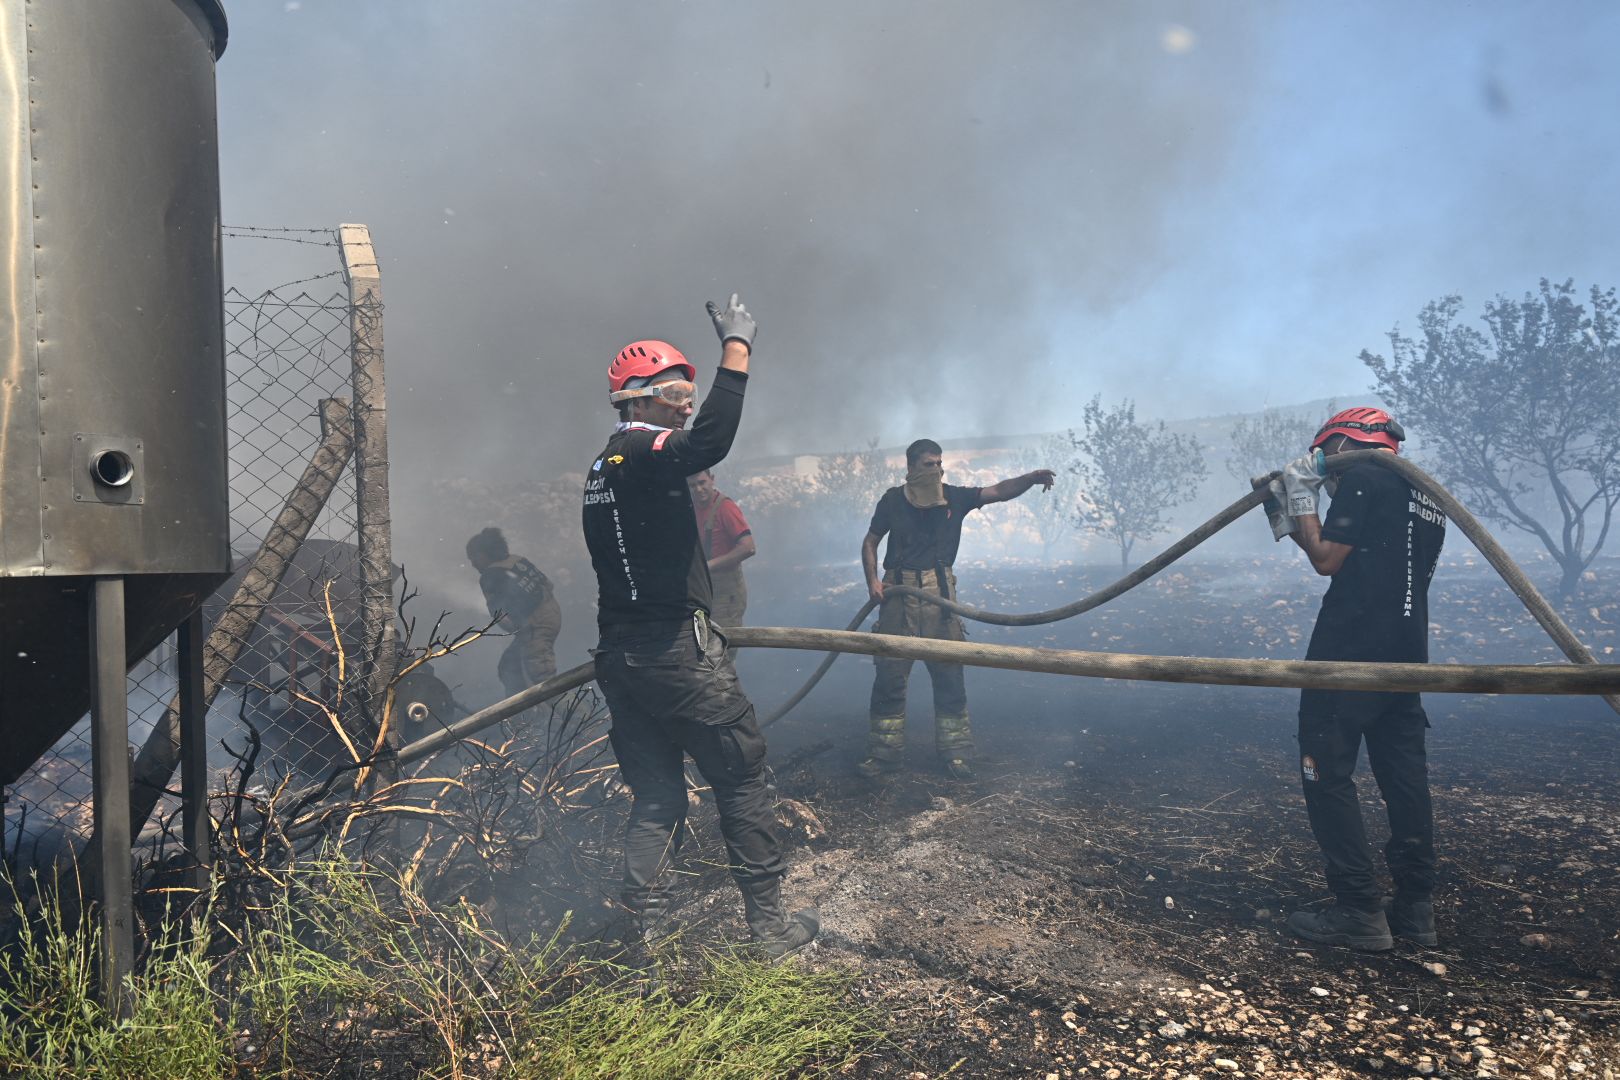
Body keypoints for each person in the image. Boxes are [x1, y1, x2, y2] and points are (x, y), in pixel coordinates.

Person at [581, 293, 818, 959]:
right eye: (675, 390)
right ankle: (768, 935)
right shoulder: (650, 451)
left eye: (690, 389)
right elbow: (709, 439)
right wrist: (736, 349)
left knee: (657, 799)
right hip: (675, 656)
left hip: (622, 662)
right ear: (636, 398)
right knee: (742, 778)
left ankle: (642, 942)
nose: (686, 401)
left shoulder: (604, 467)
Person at [1264, 406, 1445, 951]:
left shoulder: (1364, 477)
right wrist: (1289, 515)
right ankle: (1416, 909)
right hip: (1405, 655)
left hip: (1347, 653)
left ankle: (1359, 910)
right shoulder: (1425, 494)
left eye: (1327, 461)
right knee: (1403, 776)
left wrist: (1302, 496)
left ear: (1344, 443)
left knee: (1328, 771)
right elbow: (1351, 556)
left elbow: (1326, 561)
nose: (1330, 476)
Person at [858, 440, 1055, 781]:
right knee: (889, 677)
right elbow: (871, 540)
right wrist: (873, 581)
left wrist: (1031, 478)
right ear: (911, 467)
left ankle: (956, 754)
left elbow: (999, 491)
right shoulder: (892, 500)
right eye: (928, 464)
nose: (936, 470)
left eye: (939, 463)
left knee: (949, 676)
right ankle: (884, 756)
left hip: (941, 597)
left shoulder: (955, 498)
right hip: (897, 594)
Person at [465, 527, 562, 697]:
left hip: (533, 629)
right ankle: (527, 716)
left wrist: (521, 628)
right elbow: (548, 585)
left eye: (474, 557)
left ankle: (580, 718)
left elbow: (501, 617)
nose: (472, 563)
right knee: (509, 666)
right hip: (551, 617)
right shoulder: (517, 560)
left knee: (546, 684)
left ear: (485, 553)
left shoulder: (489, 576)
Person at [687, 468, 755, 629]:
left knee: (725, 643)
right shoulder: (691, 508)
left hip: (726, 593)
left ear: (712, 479)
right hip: (702, 590)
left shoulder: (725, 507)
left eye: (702, 483)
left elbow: (748, 547)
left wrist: (708, 566)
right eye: (692, 485)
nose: (698, 489)